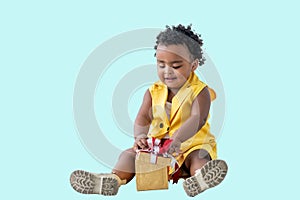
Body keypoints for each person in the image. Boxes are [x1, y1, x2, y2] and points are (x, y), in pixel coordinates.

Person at [70, 24, 228, 197]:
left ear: (193, 65)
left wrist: (178, 139)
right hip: (159, 150)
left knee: (199, 156)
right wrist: (140, 137)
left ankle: (200, 178)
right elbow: (143, 117)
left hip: (190, 146)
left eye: (176, 66)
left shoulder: (200, 91)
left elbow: (199, 118)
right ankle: (113, 180)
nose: (167, 71)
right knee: (129, 155)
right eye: (161, 65)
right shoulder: (153, 92)